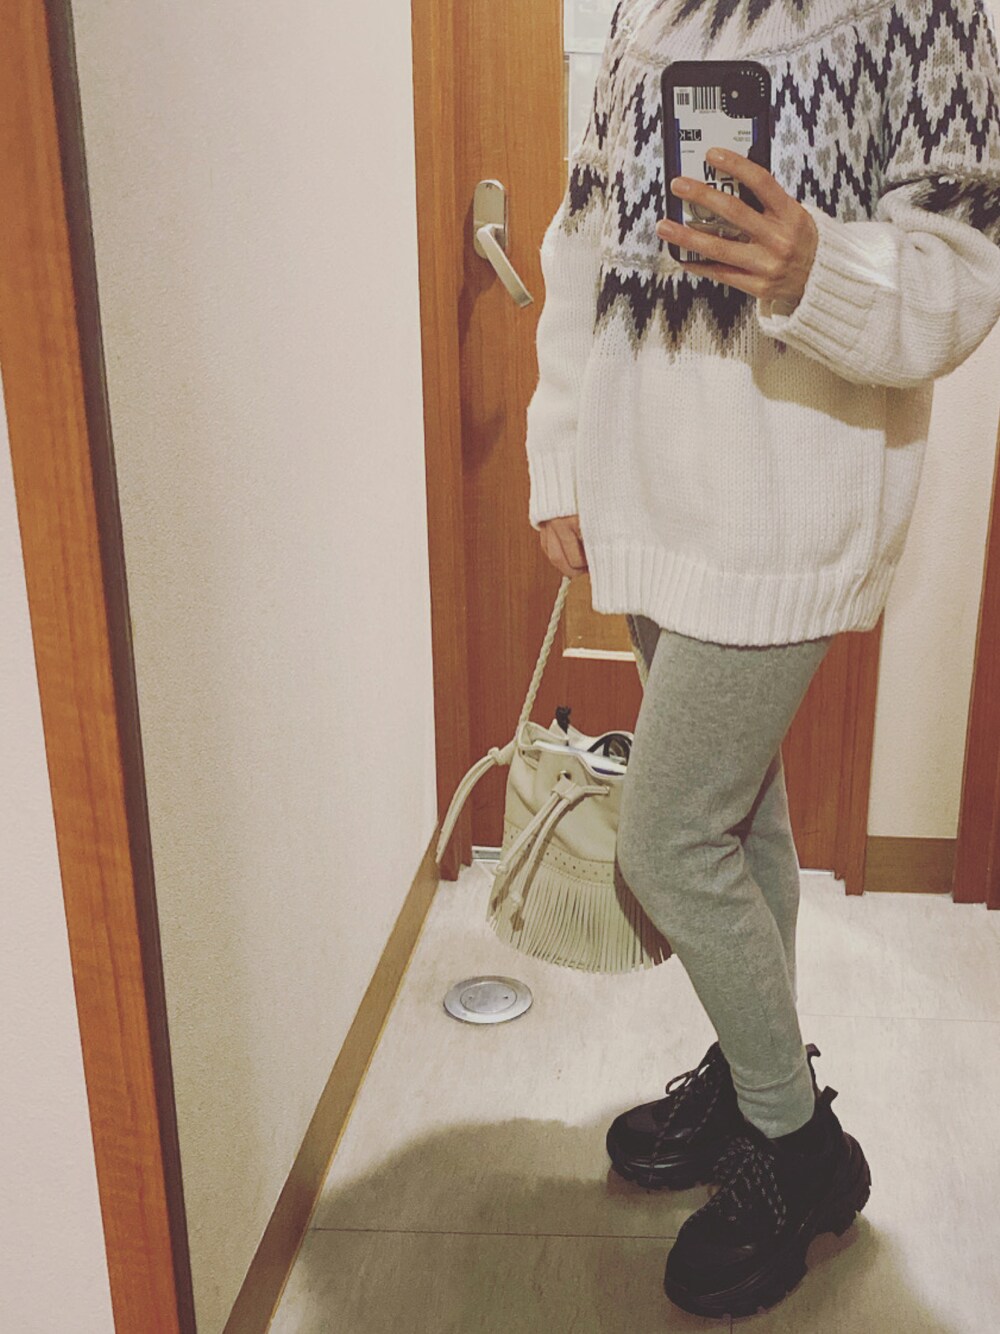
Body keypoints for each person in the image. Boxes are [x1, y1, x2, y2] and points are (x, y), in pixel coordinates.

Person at [525, 0, 1000, 1319]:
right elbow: (578, 236)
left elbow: (963, 275)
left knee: (669, 839)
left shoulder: (923, 11)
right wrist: (561, 451)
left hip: (788, 502)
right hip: (646, 492)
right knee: (741, 826)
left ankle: (802, 1151)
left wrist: (812, 270)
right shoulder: (648, 9)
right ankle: (751, 1084)